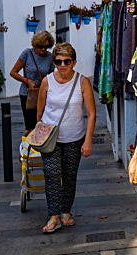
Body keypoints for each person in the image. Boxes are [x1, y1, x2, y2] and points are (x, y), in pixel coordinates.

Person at [35, 42, 96, 234]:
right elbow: (40, 109)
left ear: (74, 62)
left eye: (66, 61)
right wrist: (39, 131)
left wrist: (88, 140)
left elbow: (91, 113)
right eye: (58, 61)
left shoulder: (82, 82)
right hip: (51, 138)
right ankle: (54, 216)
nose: (62, 65)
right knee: (52, 174)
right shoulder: (47, 81)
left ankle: (65, 212)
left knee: (69, 176)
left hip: (74, 137)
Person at [10, 31, 55, 132]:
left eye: (46, 47)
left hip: (43, 93)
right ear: (35, 45)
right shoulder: (27, 53)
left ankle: (40, 146)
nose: (43, 50)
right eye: (40, 47)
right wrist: (27, 81)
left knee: (43, 124)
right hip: (28, 94)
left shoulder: (50, 57)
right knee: (31, 127)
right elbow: (13, 72)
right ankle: (26, 146)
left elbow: (51, 75)